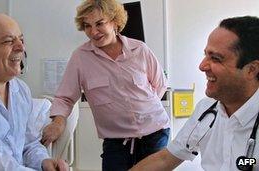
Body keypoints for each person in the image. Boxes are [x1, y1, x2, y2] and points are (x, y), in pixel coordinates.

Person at [41, 0, 170, 170]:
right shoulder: (81, 58)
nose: (93, 32)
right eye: (87, 26)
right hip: (116, 143)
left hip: (156, 133)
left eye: (99, 23)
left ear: (115, 22)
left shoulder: (140, 50)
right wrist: (58, 123)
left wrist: (143, 110)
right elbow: (65, 97)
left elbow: (159, 85)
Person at [130, 15, 259, 171]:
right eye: (205, 55)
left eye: (216, 58)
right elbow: (165, 159)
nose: (202, 66)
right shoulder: (206, 109)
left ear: (251, 69)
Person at [0, 13, 68, 171]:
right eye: (8, 41)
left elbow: (28, 144)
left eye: (21, 39)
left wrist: (43, 163)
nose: (21, 47)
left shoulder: (21, 89)